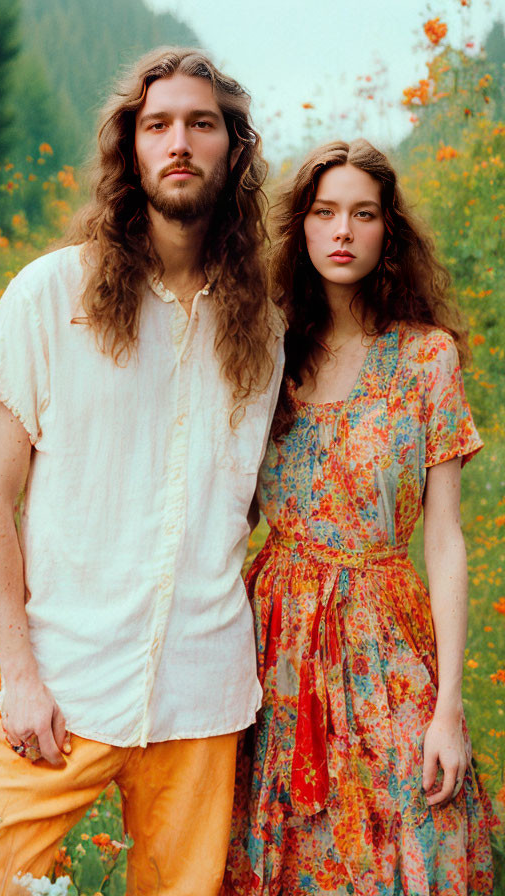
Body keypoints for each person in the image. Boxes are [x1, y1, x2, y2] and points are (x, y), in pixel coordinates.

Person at [0, 47, 284, 896]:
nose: (179, 141)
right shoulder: (47, 297)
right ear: (130, 149)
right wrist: (19, 676)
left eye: (202, 124)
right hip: (60, 686)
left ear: (235, 149)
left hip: (202, 697)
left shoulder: (269, 329)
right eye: (158, 123)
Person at [224, 139, 495, 895]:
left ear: (388, 231)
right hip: (270, 642)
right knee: (276, 844)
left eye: (363, 214)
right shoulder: (266, 351)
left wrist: (448, 710)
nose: (343, 231)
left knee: (418, 826)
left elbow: (443, 540)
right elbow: (223, 511)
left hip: (386, 632)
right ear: (302, 228)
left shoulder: (425, 359)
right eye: (324, 212)